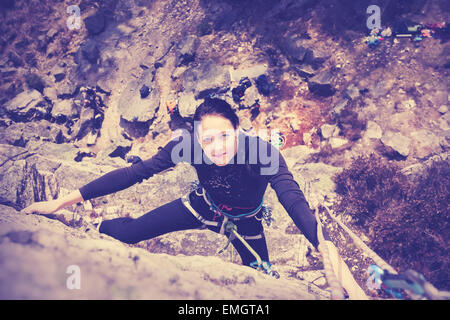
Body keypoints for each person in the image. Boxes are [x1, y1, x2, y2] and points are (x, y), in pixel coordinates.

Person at [20, 97, 367, 299]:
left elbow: (297, 206)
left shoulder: (263, 154)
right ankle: (93, 225)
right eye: (207, 140)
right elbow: (134, 174)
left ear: (237, 129)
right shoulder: (187, 145)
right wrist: (60, 203)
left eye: (223, 137)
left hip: (247, 222)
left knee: (260, 281)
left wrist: (345, 276)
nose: (215, 148)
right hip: (202, 207)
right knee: (127, 233)